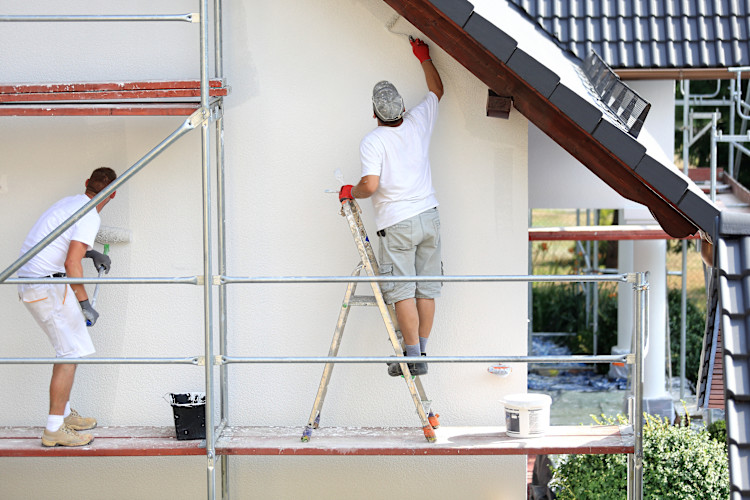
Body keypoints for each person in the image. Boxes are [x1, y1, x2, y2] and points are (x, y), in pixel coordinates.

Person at [339, 38, 443, 377]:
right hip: (429, 216)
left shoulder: (373, 141)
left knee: (402, 292)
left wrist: (349, 192)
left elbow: (369, 185)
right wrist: (424, 58)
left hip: (398, 224)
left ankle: (412, 358)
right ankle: (421, 353)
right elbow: (436, 90)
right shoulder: (418, 121)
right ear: (400, 108)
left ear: (374, 112)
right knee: (426, 289)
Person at [17, 167, 117, 447]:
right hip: (45, 286)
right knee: (69, 351)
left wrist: (92, 252)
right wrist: (85, 303)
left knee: (73, 346)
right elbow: (71, 262)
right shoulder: (89, 215)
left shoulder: (70, 203)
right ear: (113, 193)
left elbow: (61, 244)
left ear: (87, 183)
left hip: (38, 283)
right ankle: (53, 429)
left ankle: (65, 415)